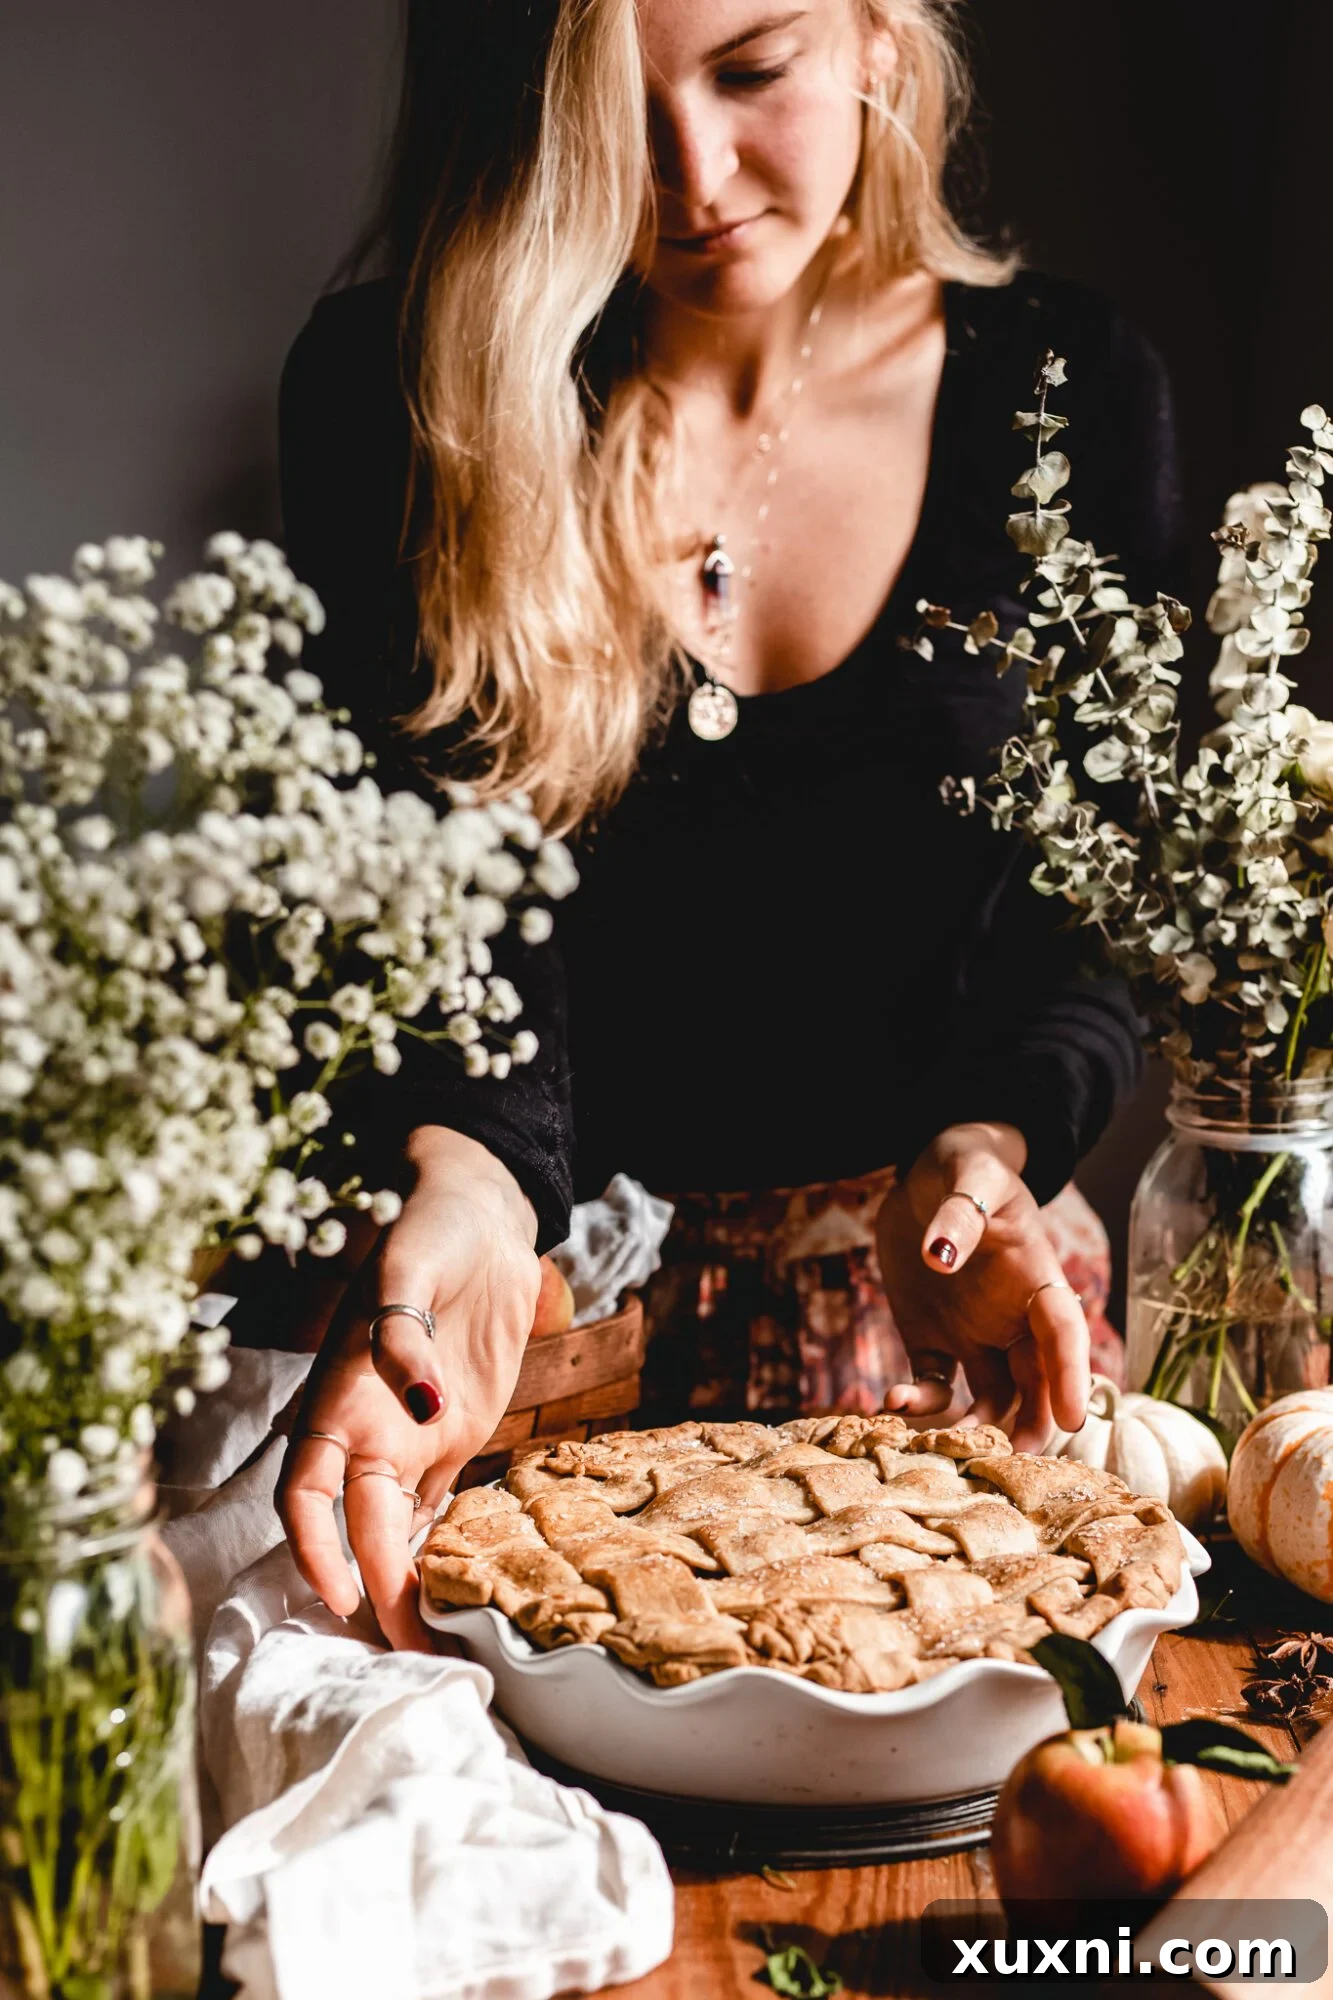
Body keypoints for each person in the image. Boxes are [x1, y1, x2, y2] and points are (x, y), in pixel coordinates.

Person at [274, 0, 1181, 1648]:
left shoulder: (1069, 390)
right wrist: (473, 1183)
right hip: (518, 1344)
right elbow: (431, 908)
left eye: (754, 68)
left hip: (945, 1350)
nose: (690, 177)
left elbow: (1093, 919)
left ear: (880, 42)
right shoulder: (390, 393)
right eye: (608, 110)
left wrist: (994, 1146)